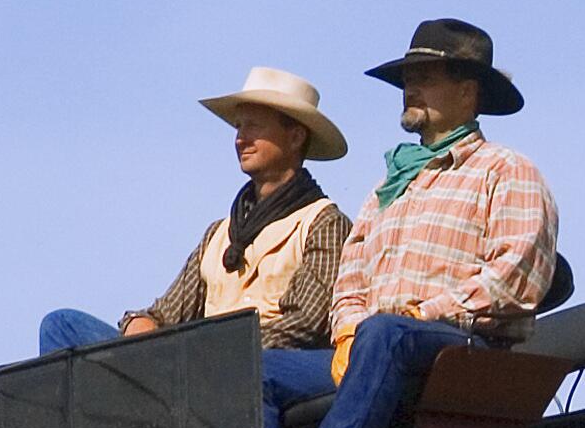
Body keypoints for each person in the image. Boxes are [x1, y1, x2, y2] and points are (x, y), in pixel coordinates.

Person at [262, 16, 558, 428]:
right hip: (376, 346)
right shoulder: (390, 185)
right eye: (407, 80)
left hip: (464, 353)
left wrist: (421, 313)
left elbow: (514, 280)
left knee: (387, 331)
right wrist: (345, 334)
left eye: (426, 79)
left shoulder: (506, 170)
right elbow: (351, 277)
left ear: (468, 92)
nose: (410, 89)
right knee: (254, 371)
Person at [35, 66, 353, 359]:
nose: (241, 138)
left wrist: (210, 347)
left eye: (254, 126)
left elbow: (306, 324)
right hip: (192, 361)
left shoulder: (323, 222)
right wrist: (139, 323)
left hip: (249, 364)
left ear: (295, 136)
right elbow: (167, 313)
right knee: (61, 325)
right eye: (239, 127)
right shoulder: (218, 233)